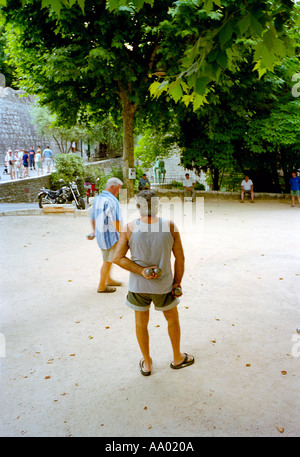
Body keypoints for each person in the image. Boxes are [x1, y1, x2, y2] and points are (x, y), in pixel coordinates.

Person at [113, 189, 194, 376]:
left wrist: (141, 270)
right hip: (164, 286)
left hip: (138, 287)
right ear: (158, 206)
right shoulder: (170, 226)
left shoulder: (129, 228)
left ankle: (148, 364)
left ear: (138, 207)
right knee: (172, 319)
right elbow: (180, 259)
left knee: (141, 324)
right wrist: (177, 283)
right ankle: (177, 358)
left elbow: (117, 258)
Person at [90, 177, 123, 293]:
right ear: (113, 187)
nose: (119, 191)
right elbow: (116, 220)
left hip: (101, 236)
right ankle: (101, 286)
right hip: (110, 236)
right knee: (107, 261)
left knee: (109, 259)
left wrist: (95, 232)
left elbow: (92, 217)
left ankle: (108, 279)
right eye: (119, 189)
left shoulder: (98, 199)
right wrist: (123, 235)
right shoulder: (112, 201)